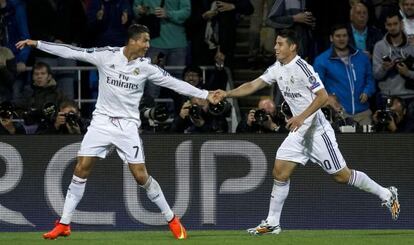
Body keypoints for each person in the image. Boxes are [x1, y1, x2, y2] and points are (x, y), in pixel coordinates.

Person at [16, 24, 218, 240]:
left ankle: (171, 219)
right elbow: (73, 52)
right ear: (133, 41)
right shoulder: (107, 55)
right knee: (81, 168)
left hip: (127, 126)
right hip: (101, 123)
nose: (148, 45)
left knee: (141, 176)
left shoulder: (146, 67)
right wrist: (37, 43)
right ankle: (64, 223)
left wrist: (206, 94)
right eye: (145, 40)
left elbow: (175, 83)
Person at [215, 29, 400, 235]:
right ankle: (272, 222)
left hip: (317, 132)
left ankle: (386, 193)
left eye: (279, 44)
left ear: (292, 47)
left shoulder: (303, 67)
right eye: (275, 44)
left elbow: (322, 97)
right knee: (280, 171)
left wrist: (301, 117)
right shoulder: (278, 67)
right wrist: (228, 93)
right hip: (298, 131)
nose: (275, 47)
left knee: (342, 176)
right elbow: (254, 84)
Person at [314, 24, 375, 125]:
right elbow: (316, 87)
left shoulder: (362, 57)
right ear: (331, 38)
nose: (341, 39)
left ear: (348, 37)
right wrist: (328, 97)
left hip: (363, 113)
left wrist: (367, 91)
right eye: (338, 36)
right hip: (338, 114)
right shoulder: (322, 60)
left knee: (367, 141)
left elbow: (370, 79)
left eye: (344, 35)